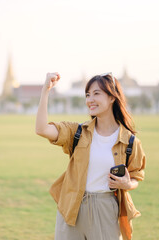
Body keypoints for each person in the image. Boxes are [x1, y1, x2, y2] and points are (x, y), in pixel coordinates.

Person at [35, 72, 146, 240]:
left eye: (96, 93)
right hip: (72, 207)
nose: (90, 100)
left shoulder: (130, 142)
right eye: (87, 94)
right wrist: (46, 90)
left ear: (112, 98)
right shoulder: (77, 132)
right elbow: (41, 129)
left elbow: (136, 176)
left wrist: (127, 183)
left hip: (105, 208)